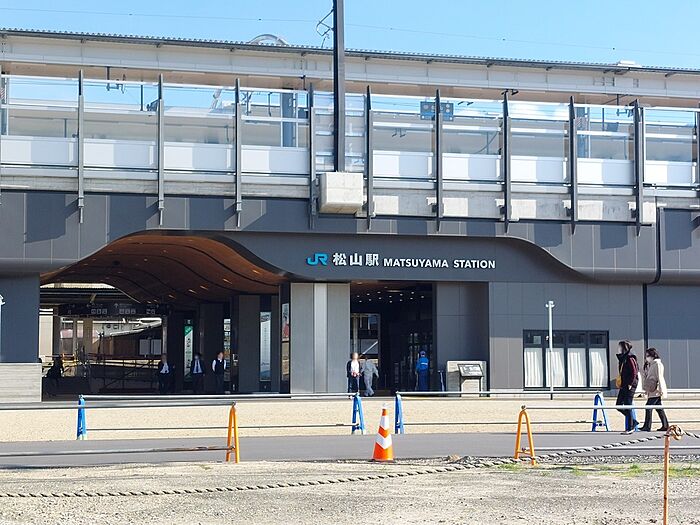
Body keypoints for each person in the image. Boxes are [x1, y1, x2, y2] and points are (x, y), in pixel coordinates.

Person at [640, 347, 670, 432]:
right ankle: (665, 425)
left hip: (656, 389)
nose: (647, 357)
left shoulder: (657, 364)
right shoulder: (650, 364)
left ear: (652, 356)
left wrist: (661, 389)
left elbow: (660, 377)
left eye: (648, 355)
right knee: (659, 408)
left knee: (648, 407)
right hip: (652, 389)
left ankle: (647, 426)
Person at [615, 340, 639, 434]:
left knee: (628, 404)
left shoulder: (630, 358)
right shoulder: (623, 358)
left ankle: (630, 427)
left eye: (620, 346)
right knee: (618, 405)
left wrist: (630, 383)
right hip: (624, 384)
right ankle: (633, 421)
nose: (618, 348)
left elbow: (634, 372)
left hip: (630, 385)